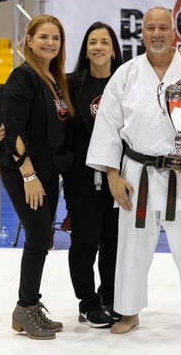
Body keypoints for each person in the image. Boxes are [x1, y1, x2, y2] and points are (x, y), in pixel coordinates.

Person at [86, 7, 181, 336]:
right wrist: (112, 174)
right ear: (142, 33)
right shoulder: (126, 74)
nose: (157, 33)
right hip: (137, 172)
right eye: (151, 28)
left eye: (163, 27)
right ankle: (130, 311)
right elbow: (107, 126)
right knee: (131, 246)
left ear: (174, 32)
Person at [0, 14, 74, 340]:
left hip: (47, 171)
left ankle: (28, 307)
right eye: (43, 37)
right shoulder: (23, 76)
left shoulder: (52, 79)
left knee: (43, 239)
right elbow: (11, 128)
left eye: (55, 38)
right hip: (24, 172)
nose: (50, 43)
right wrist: (28, 174)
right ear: (29, 39)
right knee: (39, 238)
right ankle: (25, 307)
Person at [63, 22, 123, 328]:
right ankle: (87, 303)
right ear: (85, 50)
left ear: (114, 49)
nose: (98, 47)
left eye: (104, 41)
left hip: (118, 176)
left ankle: (110, 297)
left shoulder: (125, 82)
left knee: (113, 241)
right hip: (82, 178)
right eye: (92, 42)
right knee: (85, 240)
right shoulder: (70, 84)